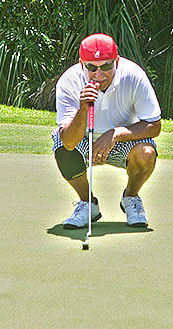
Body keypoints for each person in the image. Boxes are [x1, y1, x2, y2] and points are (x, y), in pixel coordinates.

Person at [52, 33, 161, 229]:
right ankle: (87, 204)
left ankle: (131, 197)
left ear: (116, 62)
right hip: (83, 140)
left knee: (146, 153)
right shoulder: (69, 81)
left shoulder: (133, 75)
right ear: (82, 64)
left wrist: (114, 134)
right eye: (92, 68)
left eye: (106, 66)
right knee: (62, 147)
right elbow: (69, 141)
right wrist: (83, 108)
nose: (99, 74)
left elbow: (154, 125)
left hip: (124, 140)